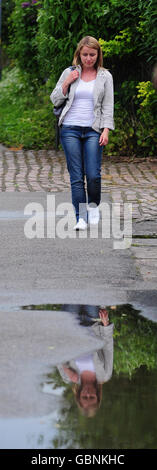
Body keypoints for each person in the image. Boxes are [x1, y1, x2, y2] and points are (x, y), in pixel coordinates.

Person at [50, 36, 114, 230]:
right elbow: (54, 99)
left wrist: (106, 130)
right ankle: (81, 218)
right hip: (70, 129)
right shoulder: (69, 73)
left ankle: (93, 207)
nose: (88, 58)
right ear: (79, 54)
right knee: (76, 176)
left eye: (92, 55)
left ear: (98, 55)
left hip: (94, 130)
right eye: (85, 54)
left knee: (93, 175)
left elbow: (108, 105)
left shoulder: (105, 76)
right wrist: (67, 82)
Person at [57, 309, 114, 417]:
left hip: (71, 324)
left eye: (85, 397)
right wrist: (106, 324)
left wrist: (67, 370)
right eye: (91, 397)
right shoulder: (104, 375)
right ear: (97, 395)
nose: (88, 394)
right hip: (93, 323)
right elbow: (108, 348)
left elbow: (57, 352)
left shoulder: (67, 378)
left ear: (79, 395)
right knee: (91, 297)